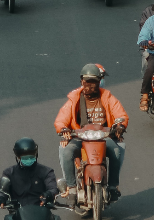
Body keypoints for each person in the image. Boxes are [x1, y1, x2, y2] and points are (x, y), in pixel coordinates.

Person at [54, 64, 127, 200]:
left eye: (93, 81)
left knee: (117, 149)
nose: (89, 85)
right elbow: (61, 119)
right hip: (80, 137)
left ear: (99, 82)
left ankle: (113, 186)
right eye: (87, 81)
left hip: (104, 136)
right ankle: (71, 188)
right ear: (81, 81)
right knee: (67, 150)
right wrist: (64, 129)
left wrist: (120, 126)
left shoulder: (108, 97)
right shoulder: (74, 98)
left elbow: (120, 114)